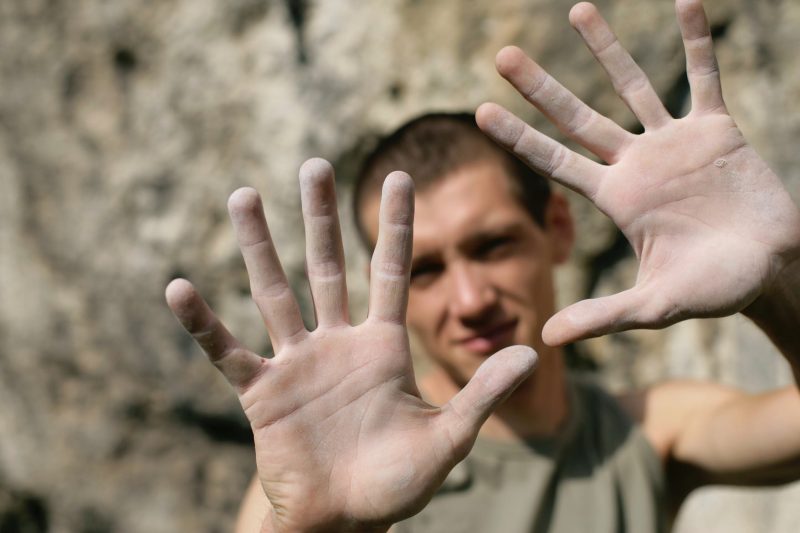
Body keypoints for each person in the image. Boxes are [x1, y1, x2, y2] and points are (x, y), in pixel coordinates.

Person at [165, 0, 800, 532]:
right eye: (424, 270)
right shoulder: (333, 465)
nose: (471, 299)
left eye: (493, 246)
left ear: (556, 230)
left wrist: (779, 279)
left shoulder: (647, 431)